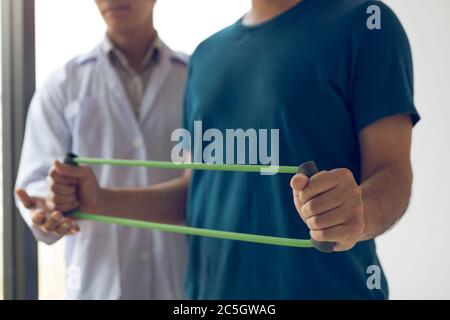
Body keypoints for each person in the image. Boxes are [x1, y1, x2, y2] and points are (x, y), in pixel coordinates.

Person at [46, 0, 420, 299]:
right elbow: (199, 191)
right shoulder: (207, 55)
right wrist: (100, 200)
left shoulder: (366, 24)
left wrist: (361, 212)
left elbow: (393, 172)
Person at [15, 0, 188, 299]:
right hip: (98, 285)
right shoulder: (62, 85)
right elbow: (37, 184)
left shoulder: (194, 76)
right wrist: (50, 206)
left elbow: (209, 188)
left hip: (183, 289)